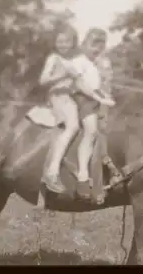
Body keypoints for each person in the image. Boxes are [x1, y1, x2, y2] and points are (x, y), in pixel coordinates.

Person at [39, 23, 115, 202]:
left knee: (102, 132)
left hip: (93, 100)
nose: (97, 48)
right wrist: (101, 99)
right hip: (82, 99)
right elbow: (81, 85)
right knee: (90, 130)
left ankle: (106, 174)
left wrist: (105, 95)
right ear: (84, 44)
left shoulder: (99, 62)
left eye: (101, 45)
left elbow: (102, 83)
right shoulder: (78, 61)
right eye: (93, 44)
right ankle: (81, 177)